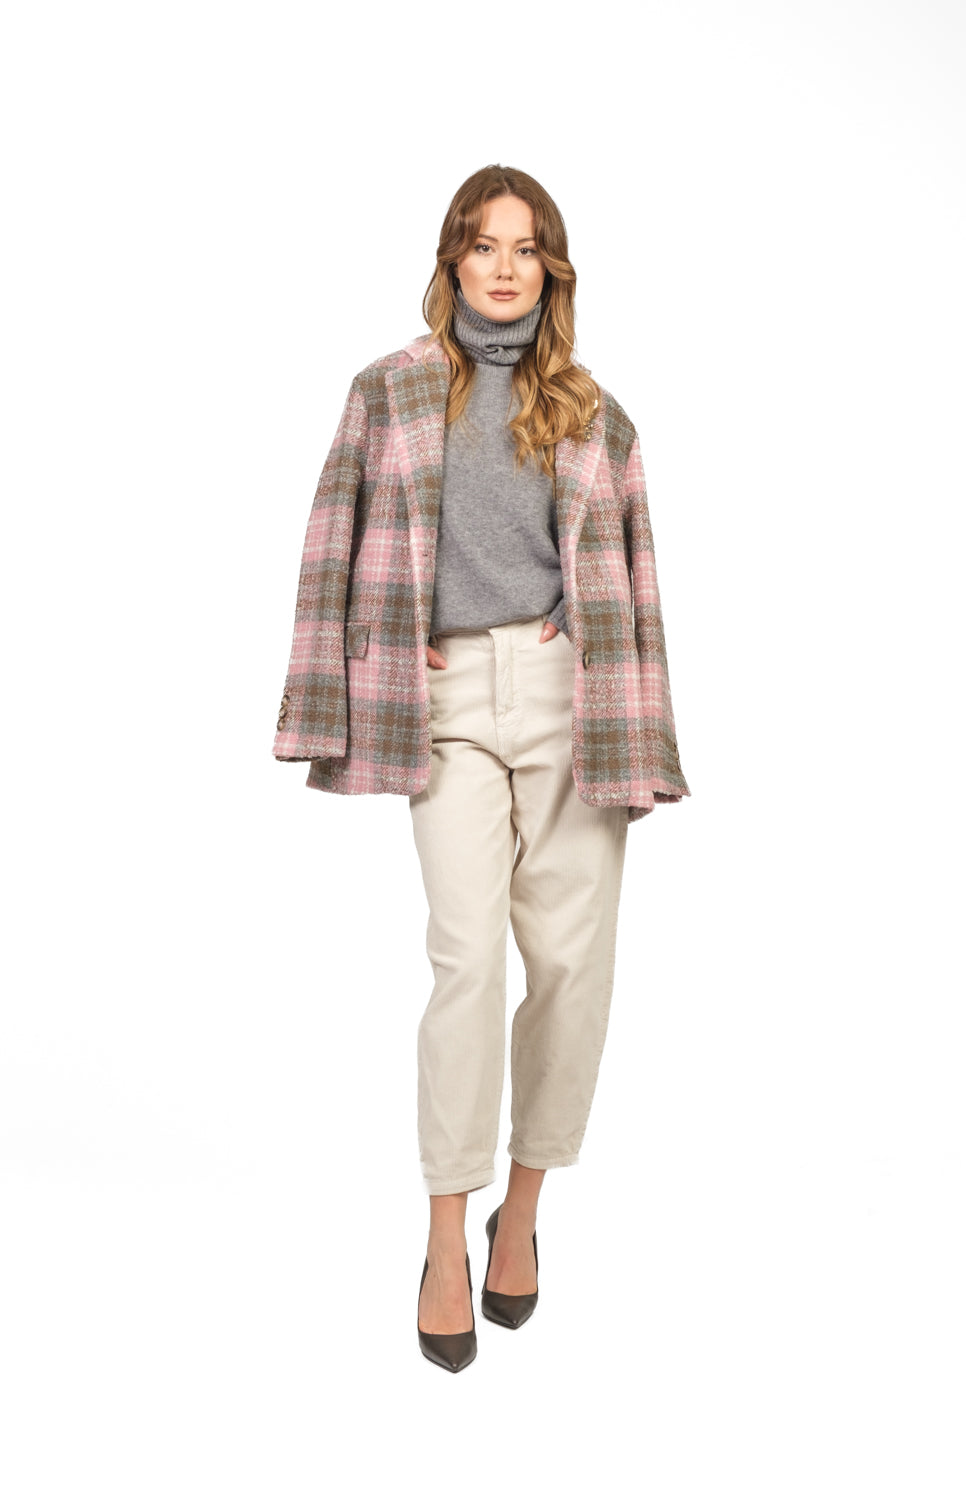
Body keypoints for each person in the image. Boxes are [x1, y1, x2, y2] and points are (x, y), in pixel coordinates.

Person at [272, 164, 691, 1372]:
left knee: (571, 969)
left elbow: (636, 579)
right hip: (444, 697)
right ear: (452, 259)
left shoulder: (594, 410)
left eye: (525, 249)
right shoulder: (388, 391)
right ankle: (445, 1238)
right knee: (466, 961)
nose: (504, 267)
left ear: (549, 270)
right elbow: (329, 543)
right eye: (483, 244)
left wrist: (644, 730)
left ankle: (524, 1211)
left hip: (570, 695)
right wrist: (333, 691)